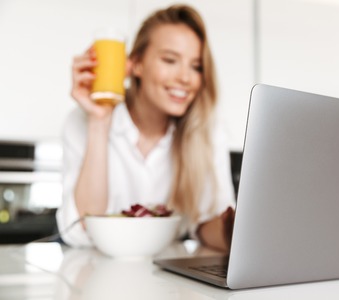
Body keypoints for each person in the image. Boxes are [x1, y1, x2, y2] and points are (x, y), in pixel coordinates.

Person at [56, 4, 236, 252]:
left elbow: (205, 225)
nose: (186, 78)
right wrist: (99, 121)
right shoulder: (82, 121)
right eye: (170, 60)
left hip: (168, 277)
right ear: (136, 64)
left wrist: (238, 230)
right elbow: (80, 229)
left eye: (196, 66)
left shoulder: (208, 131)